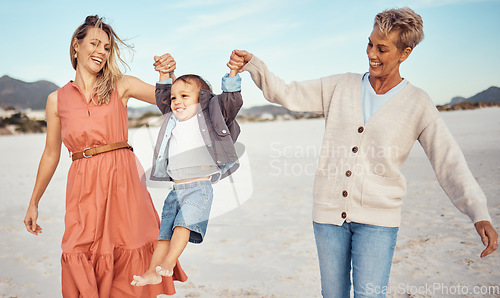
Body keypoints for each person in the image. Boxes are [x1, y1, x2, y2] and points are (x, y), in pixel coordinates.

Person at [228, 7, 498, 298]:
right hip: (328, 216)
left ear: (404, 53)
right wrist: (254, 65)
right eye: (370, 44)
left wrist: (478, 213)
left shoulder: (418, 103)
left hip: (379, 221)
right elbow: (286, 93)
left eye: (382, 48)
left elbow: (449, 162)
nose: (371, 53)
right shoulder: (340, 85)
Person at [23, 15, 188, 297]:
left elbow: (173, 100)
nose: (101, 51)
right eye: (95, 43)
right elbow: (51, 154)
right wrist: (33, 202)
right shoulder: (56, 99)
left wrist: (168, 75)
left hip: (123, 180)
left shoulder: (121, 85)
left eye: (107, 47)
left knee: (127, 248)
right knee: (77, 248)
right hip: (83, 184)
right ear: (76, 45)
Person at [130, 54, 243, 286]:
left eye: (184, 96)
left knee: (183, 225)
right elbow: (162, 97)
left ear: (201, 99)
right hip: (176, 189)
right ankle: (153, 270)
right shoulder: (173, 119)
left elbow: (230, 101)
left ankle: (170, 262)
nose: (176, 102)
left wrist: (232, 75)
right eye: (174, 97)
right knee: (164, 233)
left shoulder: (210, 115)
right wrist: (163, 75)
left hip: (199, 188)